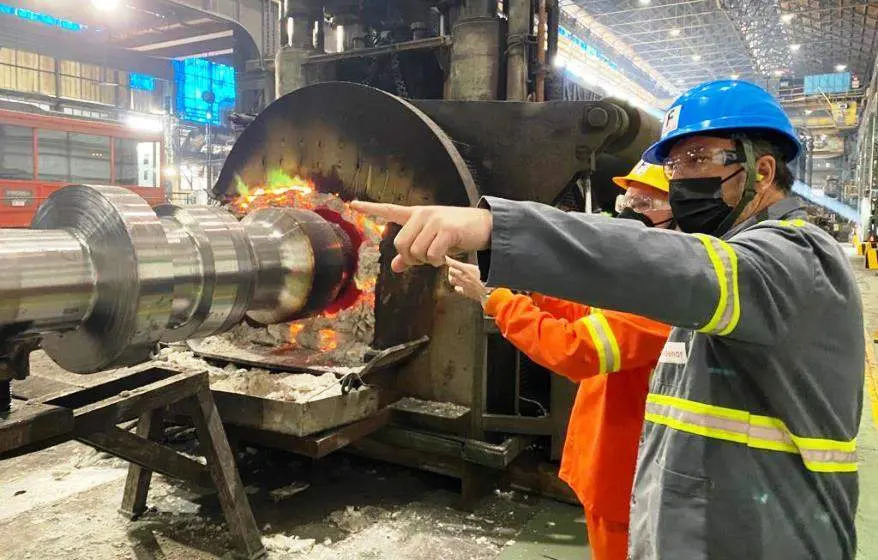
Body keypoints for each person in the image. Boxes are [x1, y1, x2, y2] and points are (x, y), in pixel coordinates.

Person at [352, 79, 864, 559]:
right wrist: (513, 286)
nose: (682, 180)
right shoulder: (722, 269)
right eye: (675, 167)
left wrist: (496, 230)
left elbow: (639, 294)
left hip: (771, 535)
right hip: (700, 521)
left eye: (699, 159)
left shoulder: (792, 259)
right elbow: (608, 301)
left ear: (764, 170)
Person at [446, 161, 673, 560]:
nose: (630, 210)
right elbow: (591, 315)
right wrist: (523, 289)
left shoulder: (666, 296)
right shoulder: (647, 282)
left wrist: (493, 299)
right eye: (629, 197)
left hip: (625, 474)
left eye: (647, 201)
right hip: (610, 459)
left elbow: (574, 349)